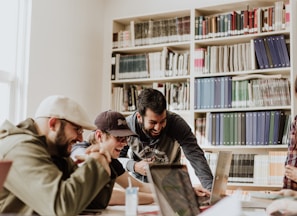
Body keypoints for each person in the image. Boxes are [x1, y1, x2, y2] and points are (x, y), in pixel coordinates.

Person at [0, 95, 115, 215]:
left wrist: (101, 160)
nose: (81, 139)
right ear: (53, 124)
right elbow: (61, 208)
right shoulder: (21, 148)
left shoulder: (54, 151)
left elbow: (95, 203)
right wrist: (95, 165)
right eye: (77, 129)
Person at [119, 88, 214, 191]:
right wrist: (134, 166)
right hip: (140, 187)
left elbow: (195, 156)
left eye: (162, 121)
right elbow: (116, 159)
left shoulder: (176, 124)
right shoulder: (126, 127)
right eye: (153, 122)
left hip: (171, 187)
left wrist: (210, 190)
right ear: (139, 117)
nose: (158, 128)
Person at [71, 110, 154, 205]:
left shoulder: (110, 159)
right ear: (99, 136)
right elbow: (103, 195)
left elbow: (138, 186)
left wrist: (167, 190)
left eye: (126, 138)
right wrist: (154, 198)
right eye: (119, 138)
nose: (125, 143)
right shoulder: (80, 151)